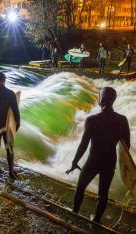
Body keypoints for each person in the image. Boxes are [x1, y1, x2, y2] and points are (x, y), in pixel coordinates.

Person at [66, 87, 130, 223]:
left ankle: (75, 213)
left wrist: (74, 161)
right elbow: (126, 147)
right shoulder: (122, 120)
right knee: (103, 194)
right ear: (113, 100)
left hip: (94, 159)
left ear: (101, 100)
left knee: (81, 187)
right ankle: (96, 220)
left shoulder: (92, 120)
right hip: (110, 160)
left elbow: (83, 144)